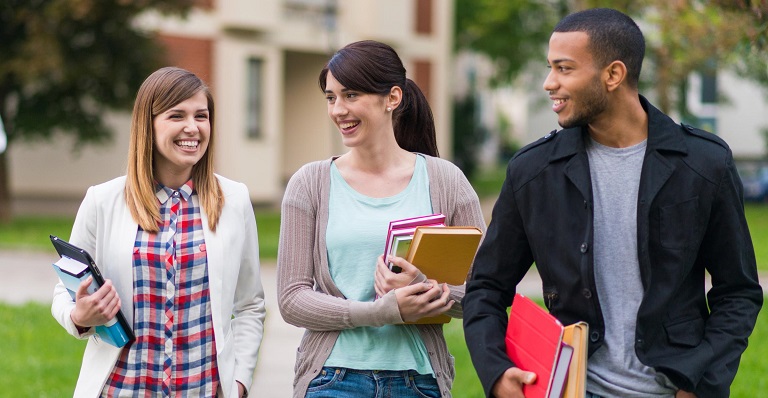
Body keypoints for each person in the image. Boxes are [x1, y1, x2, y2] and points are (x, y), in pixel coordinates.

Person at [463, 8, 762, 398]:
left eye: (564, 68)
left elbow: (738, 292)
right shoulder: (533, 172)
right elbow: (486, 287)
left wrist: (699, 381)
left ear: (613, 75)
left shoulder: (704, 164)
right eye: (550, 68)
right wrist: (497, 370)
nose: (548, 83)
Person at [277, 40, 486, 398]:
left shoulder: (447, 181)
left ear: (392, 98)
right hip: (332, 379)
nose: (338, 110)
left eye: (351, 95)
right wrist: (379, 311)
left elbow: (484, 294)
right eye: (331, 97)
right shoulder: (309, 184)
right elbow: (292, 299)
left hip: (417, 381)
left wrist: (422, 288)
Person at [51, 67, 266, 397]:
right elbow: (64, 293)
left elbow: (250, 304)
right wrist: (80, 315)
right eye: (176, 115)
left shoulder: (234, 200)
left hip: (203, 388)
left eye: (201, 116)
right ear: (147, 125)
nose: (192, 128)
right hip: (121, 389)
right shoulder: (103, 200)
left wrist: (239, 381)